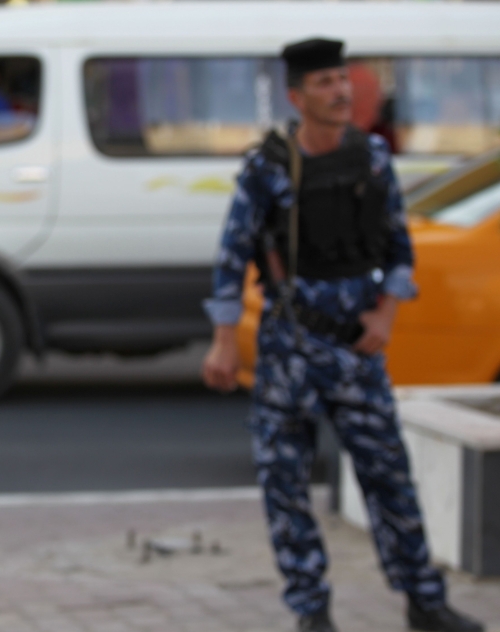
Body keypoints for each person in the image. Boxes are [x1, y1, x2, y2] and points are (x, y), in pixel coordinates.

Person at [201, 38, 483, 632]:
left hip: (356, 350)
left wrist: (386, 315)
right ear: (297, 96)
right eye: (324, 83)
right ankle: (312, 612)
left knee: (390, 478)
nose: (338, 92)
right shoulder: (268, 169)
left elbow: (399, 250)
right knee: (286, 486)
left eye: (342, 80)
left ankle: (424, 602)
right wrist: (225, 341)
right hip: (289, 352)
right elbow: (231, 259)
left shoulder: (373, 158)